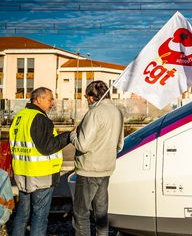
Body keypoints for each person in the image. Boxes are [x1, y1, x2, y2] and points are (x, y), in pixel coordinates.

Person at [9, 87, 70, 236]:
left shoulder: (21, 116)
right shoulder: (40, 118)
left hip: (23, 173)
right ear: (38, 99)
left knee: (22, 214)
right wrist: (67, 136)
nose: (52, 103)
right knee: (39, 217)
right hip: (41, 176)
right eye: (50, 99)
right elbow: (47, 147)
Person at [70, 80, 124, 236]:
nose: (87, 100)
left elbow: (83, 145)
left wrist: (73, 134)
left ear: (92, 97)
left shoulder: (94, 113)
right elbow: (120, 145)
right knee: (101, 214)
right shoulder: (117, 111)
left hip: (88, 170)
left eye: (87, 96)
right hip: (106, 169)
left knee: (81, 214)